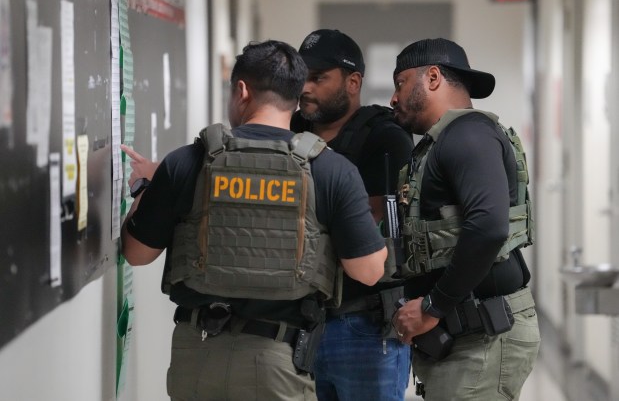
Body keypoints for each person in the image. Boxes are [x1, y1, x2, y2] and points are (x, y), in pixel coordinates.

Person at [121, 40, 388, 401]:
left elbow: (136, 254)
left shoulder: (187, 162)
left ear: (241, 90)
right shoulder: (331, 170)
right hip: (278, 358)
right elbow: (369, 271)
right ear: (296, 97)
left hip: (196, 353)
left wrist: (143, 190)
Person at [390, 37, 540, 400]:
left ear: (433, 78)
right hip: (465, 336)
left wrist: (432, 306)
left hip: (481, 337)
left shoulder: (468, 134)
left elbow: (488, 227)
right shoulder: (443, 142)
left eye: (401, 83)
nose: (394, 98)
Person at [291, 29, 414, 401]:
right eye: (301, 78)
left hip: (363, 323)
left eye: (318, 78)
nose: (305, 89)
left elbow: (368, 229)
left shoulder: (384, 138)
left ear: (353, 82)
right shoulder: (289, 131)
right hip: (298, 322)